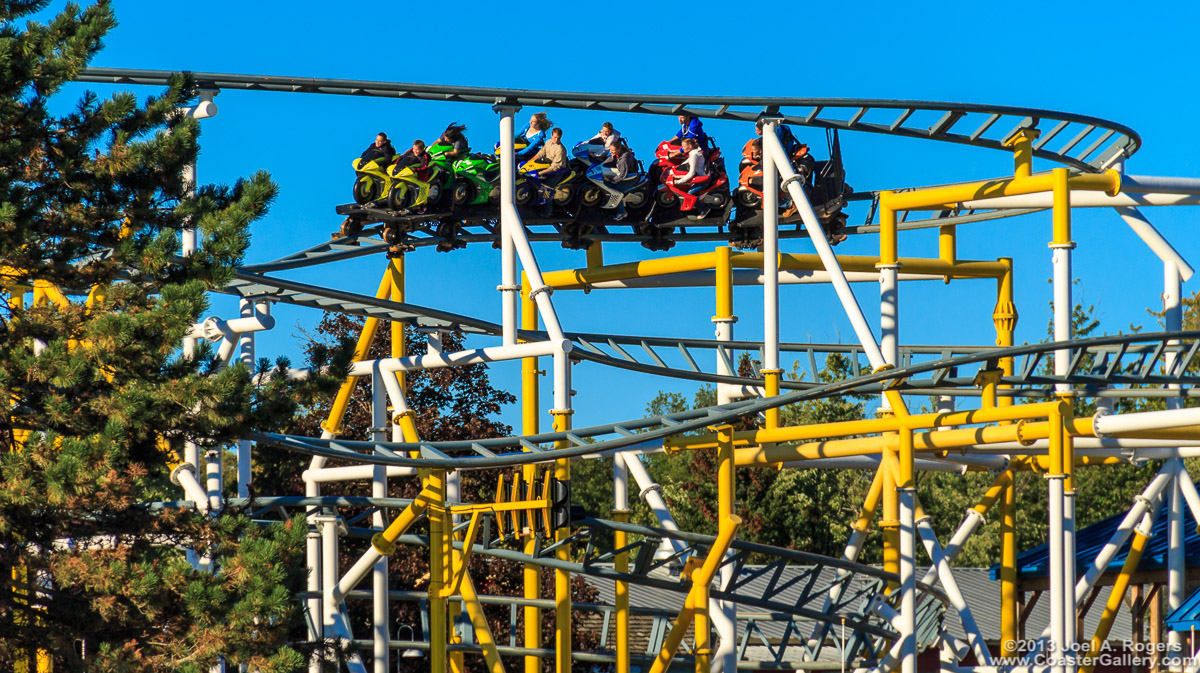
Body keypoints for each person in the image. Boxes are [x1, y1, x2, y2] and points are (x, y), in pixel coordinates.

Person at [528, 127, 569, 214]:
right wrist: (529, 161)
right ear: (551, 135)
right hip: (547, 165)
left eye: (558, 138)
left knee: (547, 187)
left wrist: (542, 172)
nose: (556, 139)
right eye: (555, 137)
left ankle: (548, 211)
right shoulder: (548, 142)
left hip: (557, 171)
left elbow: (555, 167)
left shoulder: (560, 149)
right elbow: (541, 153)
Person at [674, 137, 710, 219]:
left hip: (703, 179)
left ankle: (704, 209)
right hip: (701, 175)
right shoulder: (694, 152)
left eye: (683, 146)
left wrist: (679, 182)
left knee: (690, 193)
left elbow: (691, 173)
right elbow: (687, 161)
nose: (682, 148)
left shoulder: (694, 155)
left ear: (690, 146)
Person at [601, 140, 637, 220]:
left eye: (613, 151)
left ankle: (622, 212)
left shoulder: (624, 159)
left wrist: (612, 180)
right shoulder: (616, 154)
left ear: (618, 150)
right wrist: (599, 166)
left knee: (615, 190)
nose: (611, 152)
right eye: (610, 150)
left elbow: (622, 175)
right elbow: (610, 159)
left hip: (630, 178)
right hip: (624, 175)